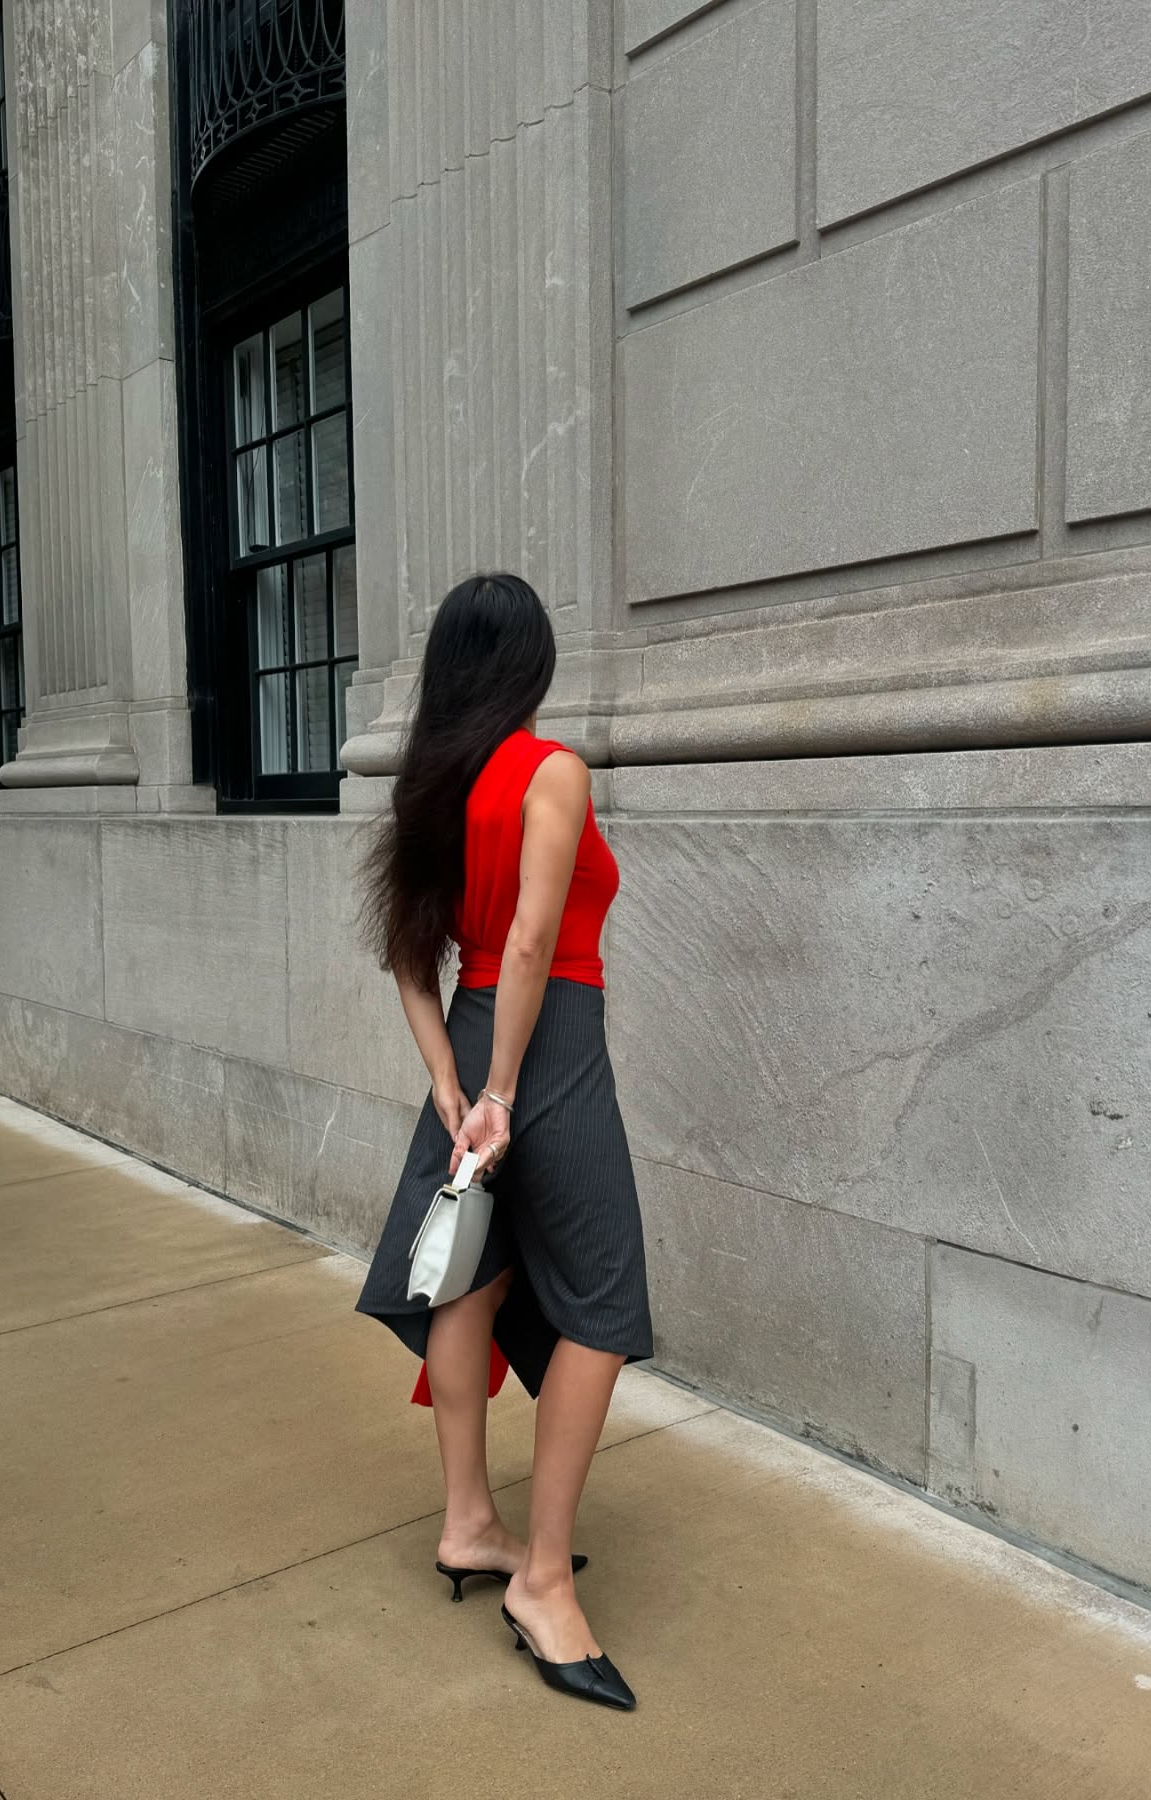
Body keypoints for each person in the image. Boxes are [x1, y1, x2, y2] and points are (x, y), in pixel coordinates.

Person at [356, 572, 653, 1712]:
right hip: (546, 1044)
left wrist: (449, 1081)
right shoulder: (550, 771)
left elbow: (409, 958)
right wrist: (501, 1090)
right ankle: (539, 1580)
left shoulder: (432, 789)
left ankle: (470, 1522)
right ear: (530, 665)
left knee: (469, 1283)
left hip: (480, 1037)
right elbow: (533, 943)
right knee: (606, 1302)